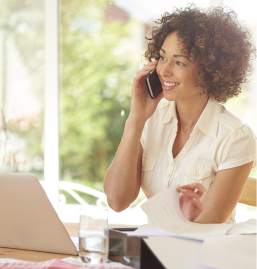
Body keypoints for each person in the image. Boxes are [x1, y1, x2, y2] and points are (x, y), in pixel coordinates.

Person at [103, 5, 257, 224]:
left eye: (179, 62)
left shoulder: (236, 137)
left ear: (209, 70)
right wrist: (136, 119)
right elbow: (117, 201)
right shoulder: (150, 119)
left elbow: (208, 224)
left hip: (204, 254)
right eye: (163, 58)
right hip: (154, 251)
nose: (164, 71)